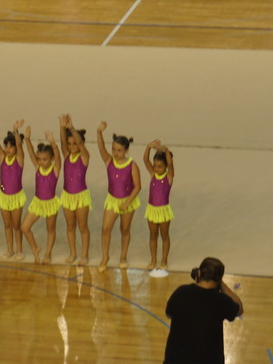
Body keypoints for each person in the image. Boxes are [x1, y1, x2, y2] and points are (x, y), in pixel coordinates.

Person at [164, 257, 243, 364]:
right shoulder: (221, 300)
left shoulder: (181, 292)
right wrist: (222, 284)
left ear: (200, 273)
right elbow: (239, 309)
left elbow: (168, 314)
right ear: (219, 278)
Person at [96, 122, 142, 272]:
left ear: (126, 150)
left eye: (119, 150)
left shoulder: (132, 165)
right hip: (112, 200)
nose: (115, 153)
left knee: (125, 229)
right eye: (114, 150)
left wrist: (127, 203)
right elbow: (101, 148)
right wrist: (99, 132)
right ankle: (105, 257)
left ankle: (123, 256)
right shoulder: (109, 161)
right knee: (105, 228)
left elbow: (137, 186)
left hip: (128, 201)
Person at [21, 128, 62, 265]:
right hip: (37, 202)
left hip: (50, 203)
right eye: (39, 159)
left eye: (44, 159)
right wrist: (27, 139)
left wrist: (53, 143)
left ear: (51, 159)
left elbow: (58, 157)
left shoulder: (55, 169)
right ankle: (35, 248)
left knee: (50, 230)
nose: (41, 162)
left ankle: (48, 253)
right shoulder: (37, 167)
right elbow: (31, 153)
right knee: (24, 227)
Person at [0, 116, 26, 260]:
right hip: (3, 196)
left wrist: (15, 131)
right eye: (6, 146)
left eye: (11, 146)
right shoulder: (2, 158)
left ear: (16, 148)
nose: (7, 149)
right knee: (7, 225)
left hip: (16, 197)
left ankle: (19, 250)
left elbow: (20, 146)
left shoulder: (19, 159)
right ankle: (10, 249)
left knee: (16, 225)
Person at [59, 114, 92, 266]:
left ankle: (84, 254)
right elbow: (62, 143)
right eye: (70, 144)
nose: (72, 146)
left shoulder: (84, 157)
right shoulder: (66, 155)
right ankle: (73, 252)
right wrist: (62, 128)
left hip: (81, 196)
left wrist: (71, 128)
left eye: (75, 144)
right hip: (67, 195)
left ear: (81, 144)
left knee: (82, 226)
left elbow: (78, 141)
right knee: (70, 226)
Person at [143, 139, 174, 270]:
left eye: (160, 166)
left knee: (164, 235)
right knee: (153, 235)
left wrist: (166, 150)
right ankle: (153, 259)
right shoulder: (153, 174)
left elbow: (171, 164)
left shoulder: (169, 177)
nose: (156, 168)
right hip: (151, 209)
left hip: (163, 210)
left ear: (165, 166)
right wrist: (148, 147)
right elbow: (145, 160)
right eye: (155, 166)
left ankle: (164, 260)